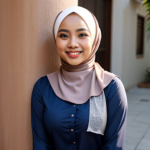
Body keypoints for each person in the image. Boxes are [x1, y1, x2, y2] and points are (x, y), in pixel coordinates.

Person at [31, 6, 128, 150]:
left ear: (95, 38)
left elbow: (114, 146)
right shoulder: (43, 88)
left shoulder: (111, 88)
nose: (72, 44)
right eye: (64, 35)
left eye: (82, 34)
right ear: (55, 39)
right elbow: (41, 144)